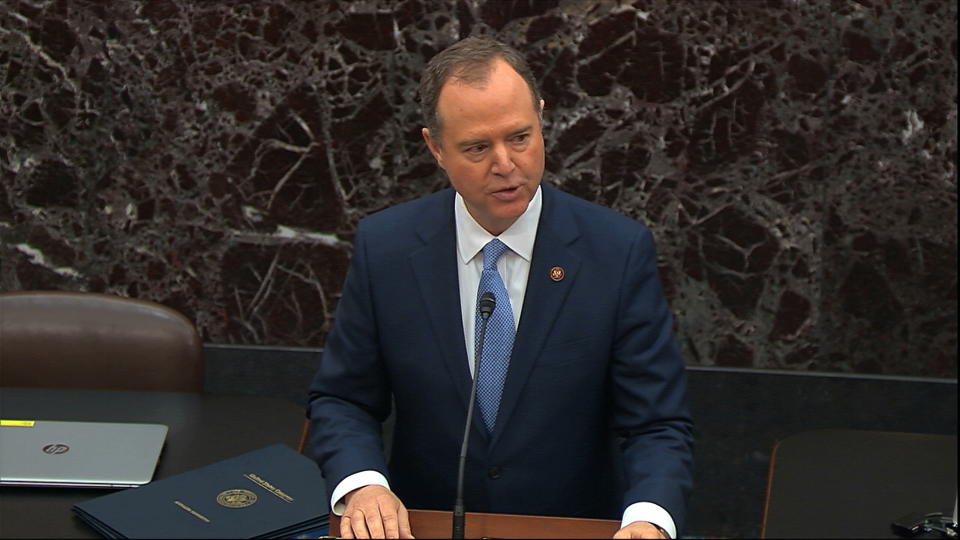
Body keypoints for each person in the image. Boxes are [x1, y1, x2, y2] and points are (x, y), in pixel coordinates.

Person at [306, 36, 694, 539]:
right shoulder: (388, 249)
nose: (506, 164)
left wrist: (649, 520)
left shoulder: (616, 252)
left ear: (541, 118)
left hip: (572, 528)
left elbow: (657, 424)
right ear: (436, 148)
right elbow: (343, 398)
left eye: (520, 137)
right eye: (477, 147)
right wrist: (362, 485)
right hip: (425, 526)